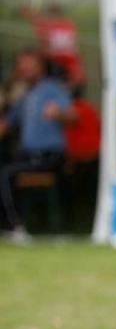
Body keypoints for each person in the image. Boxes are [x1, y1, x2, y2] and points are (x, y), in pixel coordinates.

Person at [0, 49, 76, 242]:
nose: (24, 70)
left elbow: (74, 116)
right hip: (28, 156)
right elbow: (6, 124)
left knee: (6, 174)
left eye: (29, 66)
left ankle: (16, 227)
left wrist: (58, 114)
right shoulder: (25, 95)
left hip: (49, 156)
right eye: (21, 66)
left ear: (40, 67)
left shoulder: (51, 89)